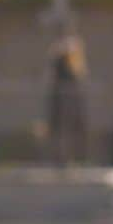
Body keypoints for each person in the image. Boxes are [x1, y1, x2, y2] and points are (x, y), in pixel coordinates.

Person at [46, 32, 89, 166]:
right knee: (60, 130)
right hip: (61, 99)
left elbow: (79, 74)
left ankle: (72, 159)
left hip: (70, 99)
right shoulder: (60, 60)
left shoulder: (74, 65)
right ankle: (60, 159)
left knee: (71, 130)